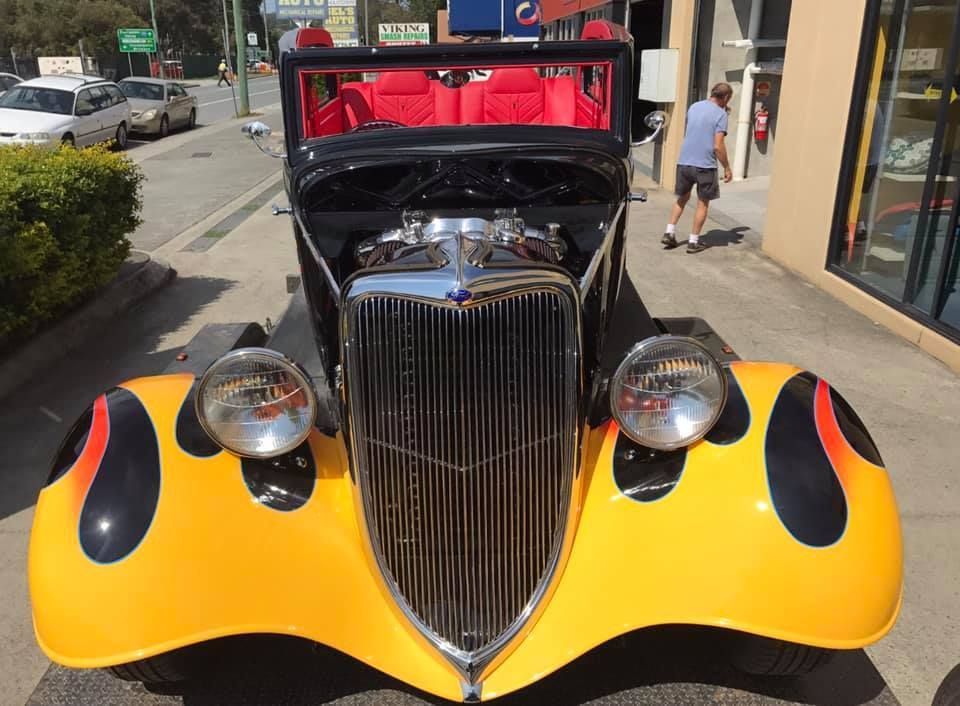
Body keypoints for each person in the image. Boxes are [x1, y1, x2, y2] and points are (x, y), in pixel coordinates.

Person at [663, 82, 734, 254]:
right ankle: (693, 241)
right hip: (705, 165)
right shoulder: (721, 114)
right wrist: (727, 167)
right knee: (703, 203)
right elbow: (718, 145)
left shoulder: (694, 107)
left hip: (685, 161)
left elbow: (697, 129)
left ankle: (669, 232)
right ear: (725, 97)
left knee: (682, 198)